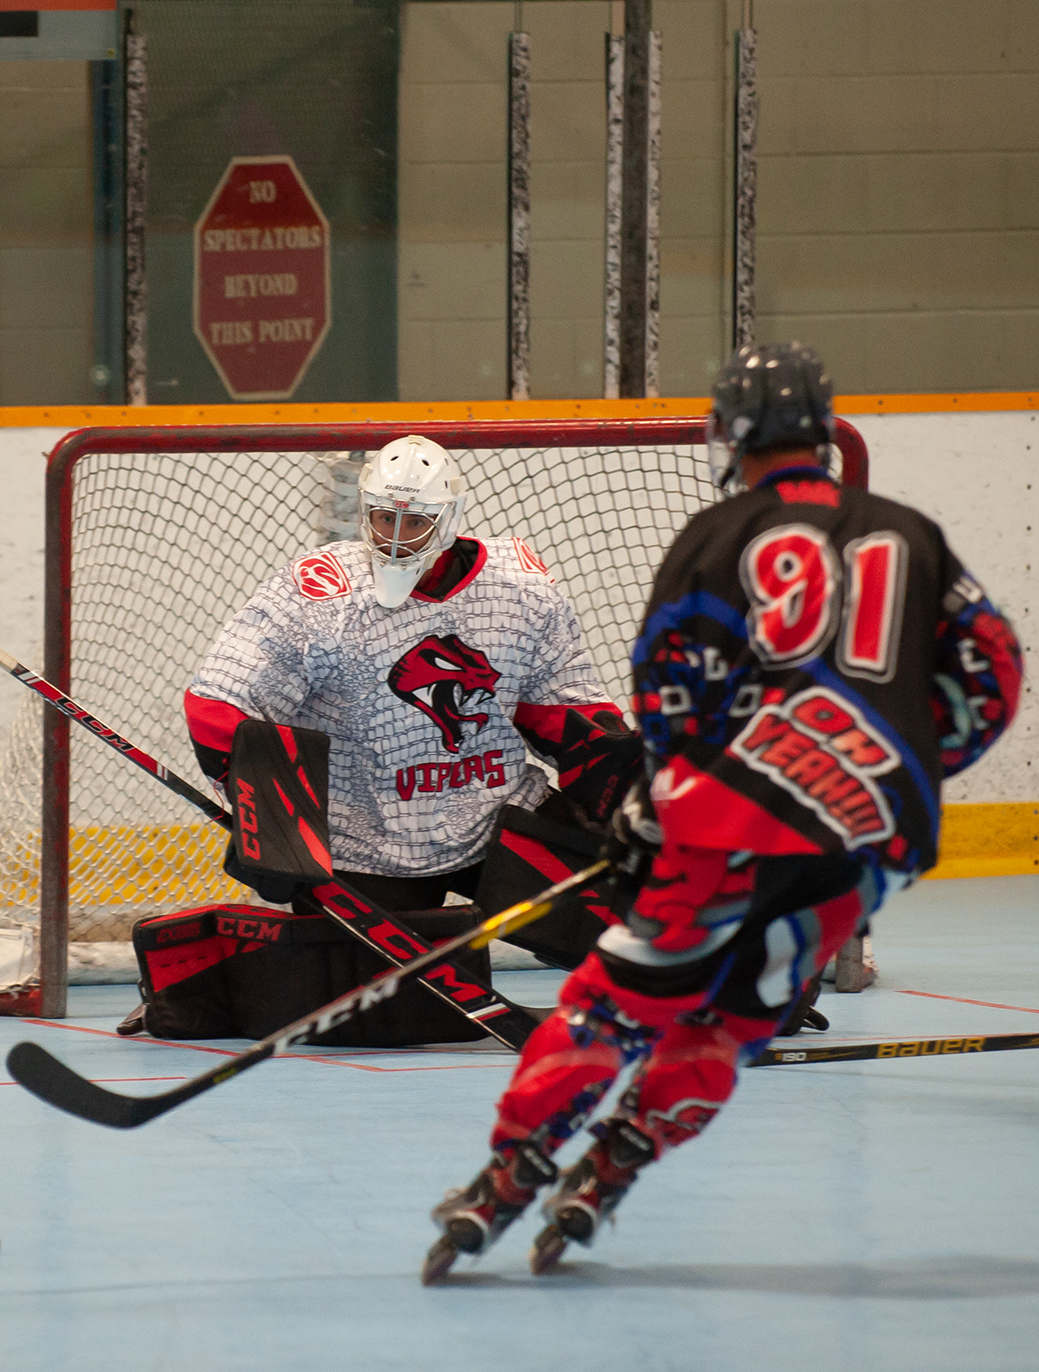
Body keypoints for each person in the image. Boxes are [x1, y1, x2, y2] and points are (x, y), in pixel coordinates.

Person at [423, 342, 1023, 1282]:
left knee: (617, 1002)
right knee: (738, 1018)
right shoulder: (910, 531)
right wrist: (898, 762)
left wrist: (656, 807)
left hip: (735, 827)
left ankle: (512, 1169)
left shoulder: (714, 537)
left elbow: (669, 694)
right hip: (871, 836)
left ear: (733, 434)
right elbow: (993, 672)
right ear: (819, 431)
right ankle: (621, 1157)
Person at [163, 435, 642, 1039]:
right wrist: (273, 820)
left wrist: (626, 790)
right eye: (383, 517)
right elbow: (217, 703)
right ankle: (202, 985)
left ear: (449, 518)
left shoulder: (519, 587)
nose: (394, 535)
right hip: (364, 839)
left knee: (636, 926)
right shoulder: (319, 593)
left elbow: (564, 710)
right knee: (379, 1018)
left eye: (414, 521)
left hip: (494, 816)